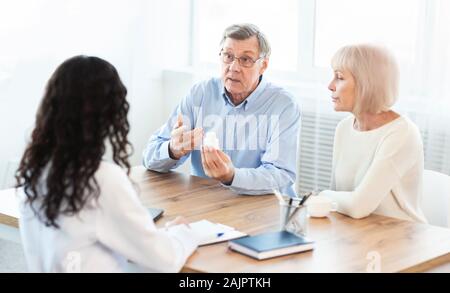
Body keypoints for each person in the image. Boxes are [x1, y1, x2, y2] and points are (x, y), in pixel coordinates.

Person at [15, 55, 201, 273]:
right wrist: (182, 233)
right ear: (109, 113)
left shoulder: (36, 170)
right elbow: (164, 260)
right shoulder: (101, 179)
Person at [143, 23, 301, 196]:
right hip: (209, 205)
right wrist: (172, 150)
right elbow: (149, 157)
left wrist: (231, 176)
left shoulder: (284, 105)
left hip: (264, 209)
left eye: (246, 59)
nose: (233, 67)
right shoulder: (200, 94)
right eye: (228, 56)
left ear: (263, 65)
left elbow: (281, 174)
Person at [318, 44, 427, 222]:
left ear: (366, 84)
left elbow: (357, 206)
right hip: (357, 232)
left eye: (339, 77)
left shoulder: (402, 133)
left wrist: (322, 195)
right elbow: (338, 200)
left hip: (401, 238)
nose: (330, 86)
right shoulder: (344, 128)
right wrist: (325, 199)